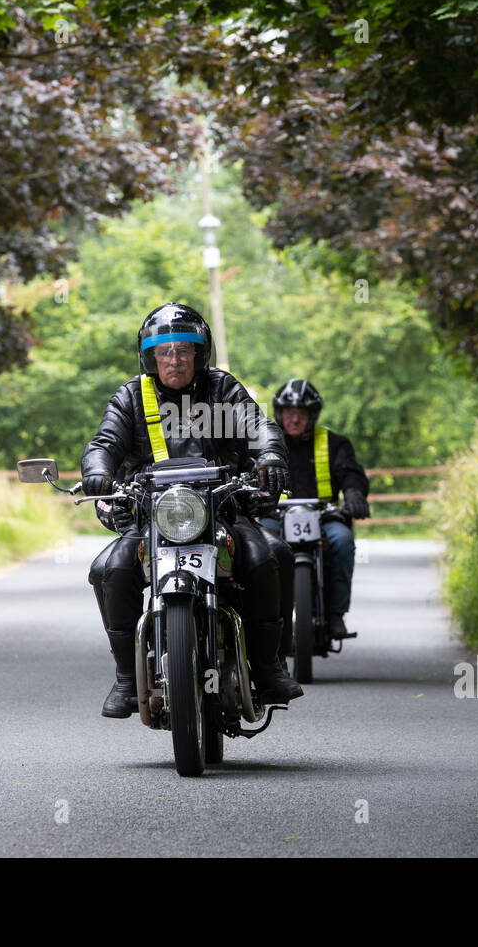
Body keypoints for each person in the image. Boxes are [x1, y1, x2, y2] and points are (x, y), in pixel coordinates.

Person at [83, 303, 304, 718]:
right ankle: (127, 679)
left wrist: (271, 456)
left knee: (269, 556)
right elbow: (103, 444)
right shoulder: (132, 395)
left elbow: (260, 427)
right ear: (150, 356)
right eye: (164, 351)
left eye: (184, 350)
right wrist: (98, 473)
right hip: (154, 514)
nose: (174, 359)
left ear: (201, 354)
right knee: (110, 569)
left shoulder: (222, 389)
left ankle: (270, 665)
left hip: (223, 509)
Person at [262, 378, 369, 638]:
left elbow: (351, 472)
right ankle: (262, 620)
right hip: (275, 515)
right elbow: (246, 469)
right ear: (279, 414)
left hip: (325, 516)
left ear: (312, 416)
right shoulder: (264, 441)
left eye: (301, 414)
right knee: (259, 546)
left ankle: (335, 615)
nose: (294, 420)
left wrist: (354, 492)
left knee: (342, 541)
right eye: (289, 413)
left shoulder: (334, 443)